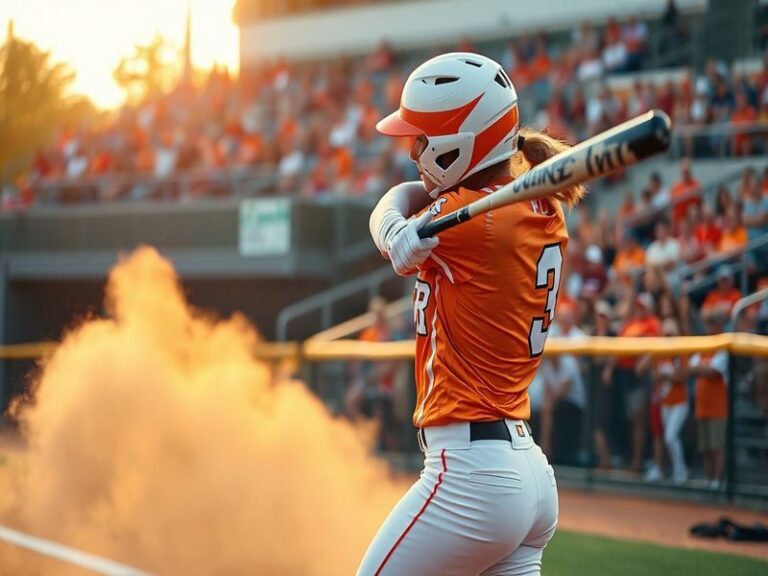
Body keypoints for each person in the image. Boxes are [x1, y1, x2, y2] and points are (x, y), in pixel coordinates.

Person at [360, 52, 585, 576]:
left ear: (458, 143)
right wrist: (401, 227)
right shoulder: (539, 208)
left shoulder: (473, 223)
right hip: (525, 470)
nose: (413, 150)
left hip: (470, 475)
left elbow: (390, 210)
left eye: (422, 139)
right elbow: (401, 200)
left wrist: (396, 231)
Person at [687, 317, 729, 490]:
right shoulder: (704, 347)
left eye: (713, 322)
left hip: (718, 407)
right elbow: (691, 368)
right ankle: (709, 480)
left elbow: (712, 371)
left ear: (720, 325)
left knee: (717, 446)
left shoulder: (723, 348)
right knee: (705, 447)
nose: (710, 326)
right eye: (709, 322)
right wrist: (702, 368)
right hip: (702, 406)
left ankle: (718, 482)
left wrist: (701, 368)